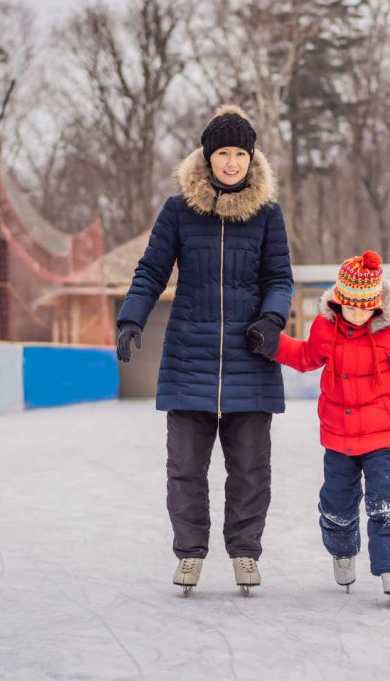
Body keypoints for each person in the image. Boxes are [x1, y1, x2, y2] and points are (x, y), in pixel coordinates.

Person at [115, 104, 293, 595]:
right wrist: (131, 315)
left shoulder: (267, 214)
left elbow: (279, 277)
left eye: (240, 153)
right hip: (188, 358)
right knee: (185, 469)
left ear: (251, 158)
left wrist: (272, 318)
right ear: (207, 156)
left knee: (251, 470)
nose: (231, 162)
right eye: (223, 153)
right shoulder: (179, 210)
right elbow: (151, 270)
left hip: (251, 358)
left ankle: (245, 553)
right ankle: (190, 553)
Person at [249, 250, 390, 600]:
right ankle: (343, 552)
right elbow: (305, 357)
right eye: (350, 305)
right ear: (339, 301)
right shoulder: (326, 329)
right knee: (336, 504)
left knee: (387, 502)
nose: (357, 313)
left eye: (364, 306)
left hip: (385, 436)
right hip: (339, 435)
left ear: (375, 304)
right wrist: (274, 345)